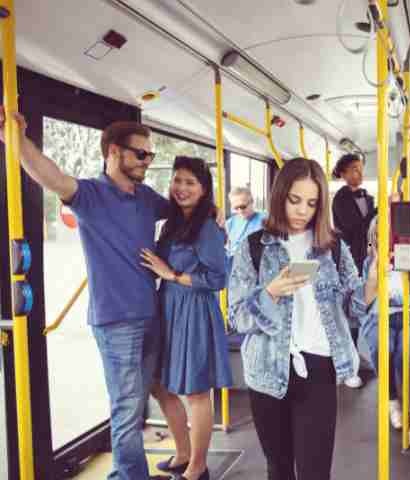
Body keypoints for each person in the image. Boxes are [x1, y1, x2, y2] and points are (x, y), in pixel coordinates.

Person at [0, 112, 171, 480]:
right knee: (126, 409)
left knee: (136, 404)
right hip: (116, 320)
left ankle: (130, 474)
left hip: (150, 313)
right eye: (141, 155)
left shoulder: (146, 197)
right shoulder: (91, 195)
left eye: (150, 156)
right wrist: (16, 140)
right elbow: (51, 176)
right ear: (113, 152)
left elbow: (183, 211)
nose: (147, 162)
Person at [228, 157, 378, 480]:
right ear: (280, 194)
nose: (302, 211)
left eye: (311, 203)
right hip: (267, 368)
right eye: (295, 200)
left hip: (319, 367)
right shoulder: (253, 248)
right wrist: (270, 292)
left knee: (315, 471)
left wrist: (373, 282)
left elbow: (354, 307)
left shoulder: (332, 247)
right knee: (279, 469)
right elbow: (237, 317)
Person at [140, 156, 233, 480]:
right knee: (160, 386)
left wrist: (173, 274)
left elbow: (219, 278)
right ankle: (182, 453)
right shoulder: (174, 222)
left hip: (194, 311)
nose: (181, 188)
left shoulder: (206, 226)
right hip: (169, 309)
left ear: (204, 189)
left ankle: (198, 466)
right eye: (177, 180)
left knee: (195, 393)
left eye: (190, 183)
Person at [359, 213, 410, 447]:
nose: (383, 239)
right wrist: (375, 277)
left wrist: (397, 297)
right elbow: (366, 303)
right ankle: (392, 401)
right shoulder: (370, 262)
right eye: (379, 235)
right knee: (382, 347)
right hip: (381, 318)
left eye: (387, 234)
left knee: (407, 356)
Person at [331, 152, 376, 388]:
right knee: (350, 308)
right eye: (355, 169)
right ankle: (346, 363)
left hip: (364, 256)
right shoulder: (340, 199)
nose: (359, 174)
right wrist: (376, 212)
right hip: (348, 258)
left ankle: (356, 356)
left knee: (361, 306)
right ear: (344, 173)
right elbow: (353, 228)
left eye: (361, 169)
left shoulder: (366, 197)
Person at [225, 185, 266, 276]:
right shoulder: (230, 223)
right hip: (234, 270)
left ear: (252, 202)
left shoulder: (265, 220)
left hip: (256, 269)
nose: (240, 211)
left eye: (243, 207)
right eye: (236, 208)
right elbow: (227, 247)